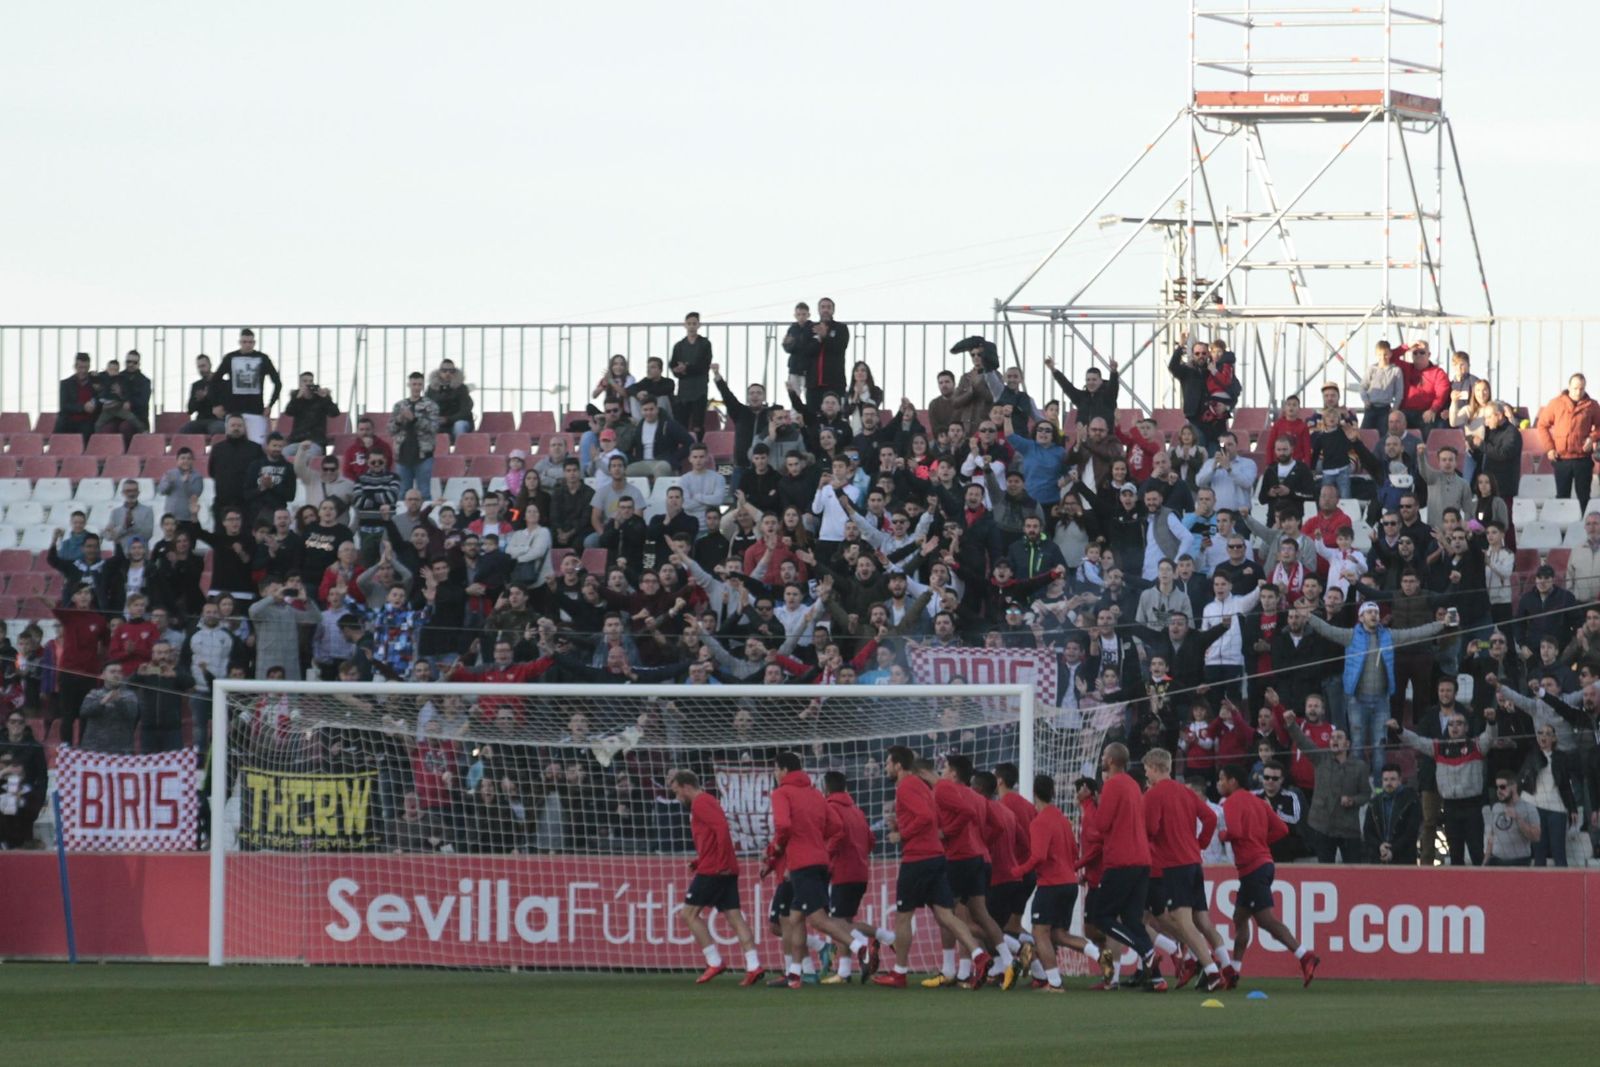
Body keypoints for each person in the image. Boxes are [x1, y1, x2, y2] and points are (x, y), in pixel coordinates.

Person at [869, 746, 989, 988]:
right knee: (945, 915)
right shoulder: (922, 787)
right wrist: (901, 824)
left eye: (888, 763)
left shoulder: (906, 786)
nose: (886, 767)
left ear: (899, 765)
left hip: (918, 859)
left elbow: (924, 817)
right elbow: (931, 816)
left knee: (903, 916)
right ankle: (979, 955)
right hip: (935, 856)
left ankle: (899, 973)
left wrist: (902, 834)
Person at [759, 752, 874, 990]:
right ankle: (794, 975)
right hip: (821, 862)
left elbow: (783, 826)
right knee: (794, 918)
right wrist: (813, 837)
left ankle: (861, 947)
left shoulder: (781, 793)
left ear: (783, 770)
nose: (775, 774)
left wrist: (776, 847)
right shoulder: (815, 794)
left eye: (775, 769)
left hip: (802, 864)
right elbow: (835, 826)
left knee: (818, 920)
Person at [1305, 599, 1452, 779]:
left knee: (1379, 746)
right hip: (1357, 700)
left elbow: (1415, 633)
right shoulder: (1350, 635)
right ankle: (1358, 784)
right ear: (1361, 617)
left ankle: (1379, 789)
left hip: (1381, 701)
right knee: (1357, 746)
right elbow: (1328, 630)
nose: (1374, 615)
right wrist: (1309, 617)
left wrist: (1441, 624)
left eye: (1376, 612)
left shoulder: (1388, 635)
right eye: (1369, 612)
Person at [1216, 764, 1320, 987]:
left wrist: (1222, 834)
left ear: (1233, 781)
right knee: (1240, 917)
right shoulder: (1259, 802)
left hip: (1252, 867)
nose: (1219, 783)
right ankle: (1234, 970)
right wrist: (1260, 841)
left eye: (1222, 779)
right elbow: (1282, 829)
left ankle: (1305, 955)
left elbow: (1235, 832)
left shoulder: (1231, 802)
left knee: (1265, 920)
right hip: (1263, 863)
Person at [1079, 741, 1164, 991]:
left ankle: (1147, 953)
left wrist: (1088, 804)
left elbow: (1100, 826)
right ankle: (1157, 978)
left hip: (1121, 860)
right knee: (1132, 919)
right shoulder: (1132, 785)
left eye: (1104, 756)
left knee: (1102, 917)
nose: (1102, 759)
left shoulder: (1113, 785)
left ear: (1111, 760)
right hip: (1141, 860)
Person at [1142, 747, 1228, 992]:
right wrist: (1199, 843)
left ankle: (1211, 971)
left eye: (1147, 769)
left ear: (1155, 768)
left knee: (1183, 923)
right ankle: (1216, 965)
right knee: (1198, 919)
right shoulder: (1186, 791)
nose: (1146, 774)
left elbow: (1150, 829)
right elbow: (1210, 818)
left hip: (1174, 865)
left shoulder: (1154, 794)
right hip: (1194, 863)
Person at [668, 770, 764, 985]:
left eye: (676, 791)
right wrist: (700, 861)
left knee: (688, 914)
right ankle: (753, 965)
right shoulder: (706, 802)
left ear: (686, 787)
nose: (677, 797)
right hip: (721, 866)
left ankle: (714, 961)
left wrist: (720, 863)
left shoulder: (701, 803)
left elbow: (721, 829)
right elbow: (713, 837)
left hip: (715, 869)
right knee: (734, 916)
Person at [1015, 773, 1080, 994]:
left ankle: (1054, 982)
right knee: (1058, 934)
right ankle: (1097, 954)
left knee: (1040, 932)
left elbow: (1038, 857)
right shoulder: (1063, 819)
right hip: (1070, 883)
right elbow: (1075, 851)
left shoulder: (1039, 822)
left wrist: (1018, 871)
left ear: (1034, 793)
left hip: (1051, 884)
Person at [1282, 706, 1369, 863]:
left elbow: (1366, 794)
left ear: (1347, 744)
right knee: (1324, 869)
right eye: (1332, 737)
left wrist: (1353, 800)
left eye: (1339, 737)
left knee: (1353, 870)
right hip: (1322, 826)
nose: (1335, 740)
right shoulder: (1321, 758)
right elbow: (1303, 741)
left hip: (1348, 828)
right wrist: (1291, 724)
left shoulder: (1360, 767)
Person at [1535, 372, 1600, 511]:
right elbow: (1542, 425)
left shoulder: (1592, 405)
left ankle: (1585, 523)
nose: (1578, 392)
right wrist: (1549, 448)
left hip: (1582, 459)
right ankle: (1562, 524)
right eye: (1575, 388)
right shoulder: (1556, 403)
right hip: (1561, 459)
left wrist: (1592, 438)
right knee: (1562, 498)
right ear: (1569, 387)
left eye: (1582, 388)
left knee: (1584, 497)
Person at [1518, 722, 1580, 868]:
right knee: (1539, 855)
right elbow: (1522, 781)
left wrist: (1572, 808)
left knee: (1559, 854)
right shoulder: (1531, 756)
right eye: (1540, 733)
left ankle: (1563, 882)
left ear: (1554, 738)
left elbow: (1565, 785)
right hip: (1536, 807)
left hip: (1556, 808)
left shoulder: (1560, 757)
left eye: (1547, 733)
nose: (1543, 736)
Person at [213, 328, 282, 445]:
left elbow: (277, 383)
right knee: (232, 444)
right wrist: (216, 404)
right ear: (240, 342)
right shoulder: (230, 358)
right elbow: (215, 381)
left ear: (254, 343)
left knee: (257, 445)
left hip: (256, 410)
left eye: (250, 342)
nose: (247, 345)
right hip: (234, 411)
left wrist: (270, 405)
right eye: (244, 342)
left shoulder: (263, 358)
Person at [392, 371, 442, 497]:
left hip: (423, 455)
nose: (416, 387)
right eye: (414, 384)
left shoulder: (431, 405)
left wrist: (414, 419)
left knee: (424, 492)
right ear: (409, 385)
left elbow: (434, 428)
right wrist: (398, 420)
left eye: (419, 384)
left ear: (423, 386)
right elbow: (390, 430)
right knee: (403, 492)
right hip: (402, 454)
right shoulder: (399, 405)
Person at [1362, 766, 1421, 865]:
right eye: (1385, 780)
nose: (1389, 783)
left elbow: (1411, 832)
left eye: (1393, 779)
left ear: (1400, 780)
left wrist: (1393, 850)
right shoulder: (1374, 803)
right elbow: (1368, 831)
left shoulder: (1411, 801)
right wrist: (1380, 846)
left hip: (1404, 859)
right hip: (1379, 858)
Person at [77, 664, 141, 754]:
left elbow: (132, 715)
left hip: (122, 750)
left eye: (119, 672)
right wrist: (102, 703)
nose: (116, 675)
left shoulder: (129, 695)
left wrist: (118, 701)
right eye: (112, 672)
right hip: (94, 749)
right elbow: (84, 712)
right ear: (103, 675)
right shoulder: (94, 694)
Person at [1483, 772, 1541, 867]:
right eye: (1497, 787)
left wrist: (1518, 819)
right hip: (1496, 860)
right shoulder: (1496, 807)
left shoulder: (1529, 808)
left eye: (1502, 787)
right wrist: (1485, 863)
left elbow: (1536, 837)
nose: (1499, 791)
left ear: (1514, 787)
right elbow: (1491, 837)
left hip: (1519, 862)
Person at [670, 312, 713, 437]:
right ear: (685, 325)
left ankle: (698, 444)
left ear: (699, 325)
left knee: (698, 424)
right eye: (689, 324)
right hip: (684, 389)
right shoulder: (679, 346)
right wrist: (678, 370)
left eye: (694, 323)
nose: (691, 326)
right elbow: (673, 364)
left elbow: (704, 365)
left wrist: (686, 368)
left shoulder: (705, 344)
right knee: (681, 422)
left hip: (699, 388)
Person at [1044, 356, 1120, 425]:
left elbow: (1113, 387)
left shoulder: (1108, 397)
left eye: (1094, 379)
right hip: (1083, 435)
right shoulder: (1081, 397)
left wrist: (1113, 372)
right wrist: (1053, 370)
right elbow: (1067, 386)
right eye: (1088, 380)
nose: (1091, 383)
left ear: (1101, 381)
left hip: (1104, 435)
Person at [1398, 340, 1449, 432]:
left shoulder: (1438, 372)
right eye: (1415, 353)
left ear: (1429, 354)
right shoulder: (1406, 368)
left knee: (1430, 423)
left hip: (1426, 413)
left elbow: (1442, 393)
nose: (1418, 355)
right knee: (1393, 420)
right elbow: (1389, 357)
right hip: (1405, 412)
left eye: (1422, 352)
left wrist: (1433, 409)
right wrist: (1407, 346)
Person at [1360, 341, 1405, 430]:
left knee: (1383, 433)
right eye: (1380, 355)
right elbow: (1363, 386)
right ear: (1376, 355)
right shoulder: (1371, 369)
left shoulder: (1396, 371)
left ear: (1390, 354)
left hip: (1385, 408)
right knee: (1365, 432)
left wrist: (1395, 407)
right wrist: (1365, 400)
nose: (1383, 357)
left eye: (1385, 354)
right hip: (1371, 407)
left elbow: (1399, 391)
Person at [181, 353, 227, 436]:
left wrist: (207, 396)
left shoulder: (222, 383)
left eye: (203, 366)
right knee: (184, 430)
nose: (201, 369)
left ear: (210, 365)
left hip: (216, 420)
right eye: (199, 367)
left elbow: (224, 403)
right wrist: (198, 400)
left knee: (219, 429)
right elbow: (190, 410)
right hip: (200, 420)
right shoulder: (196, 385)